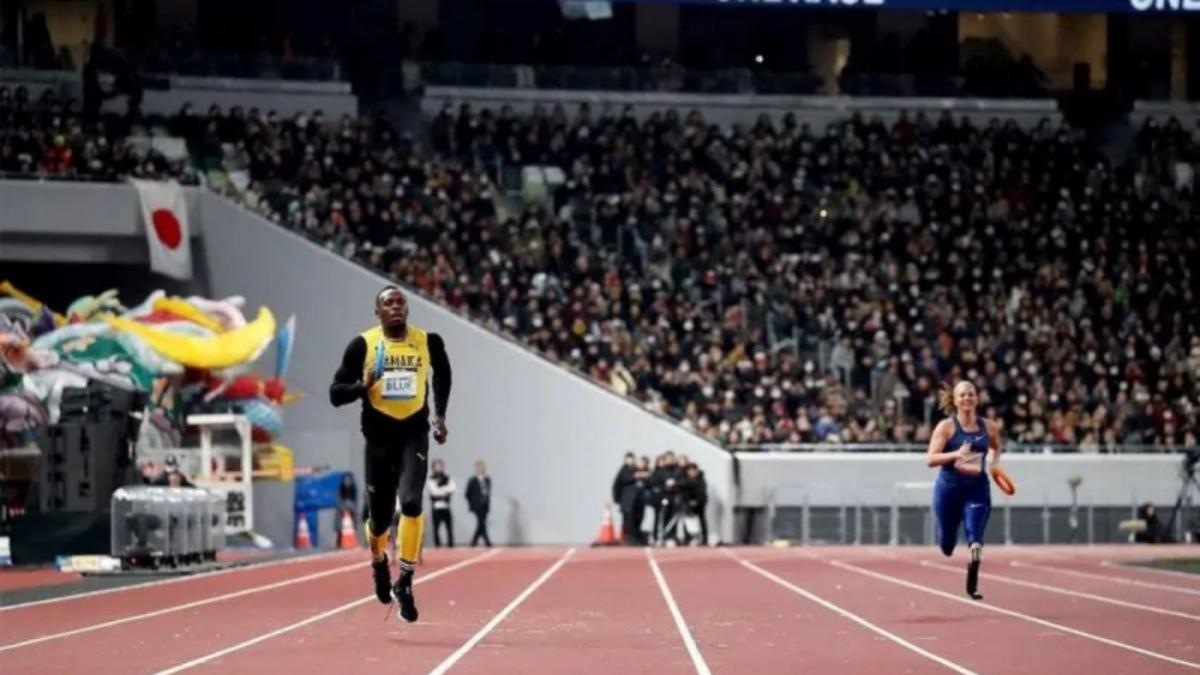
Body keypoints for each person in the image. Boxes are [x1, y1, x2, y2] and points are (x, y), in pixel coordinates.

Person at [329, 285, 451, 622]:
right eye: (388, 303)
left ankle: (406, 581)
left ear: (407, 309)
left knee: (411, 502)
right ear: (377, 311)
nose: (395, 307)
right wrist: (362, 387)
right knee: (380, 519)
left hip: (414, 434)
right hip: (379, 438)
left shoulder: (428, 342)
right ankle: (379, 562)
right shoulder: (363, 345)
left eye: (400, 302)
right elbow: (335, 393)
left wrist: (440, 416)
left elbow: (443, 373)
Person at [926, 380, 1002, 600]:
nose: (967, 398)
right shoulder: (946, 427)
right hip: (949, 491)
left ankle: (973, 577)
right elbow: (930, 459)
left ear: (977, 399)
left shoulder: (989, 426)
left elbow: (997, 447)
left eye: (971, 394)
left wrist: (994, 464)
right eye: (962, 395)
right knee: (947, 544)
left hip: (977, 488)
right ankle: (948, 540)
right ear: (956, 400)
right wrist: (955, 455)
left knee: (974, 533)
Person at [428, 459, 456, 546]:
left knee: (449, 528)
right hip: (436, 507)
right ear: (433, 467)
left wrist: (441, 489)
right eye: (437, 466)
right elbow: (434, 492)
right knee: (436, 528)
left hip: (446, 506)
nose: (439, 468)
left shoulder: (448, 478)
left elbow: (453, 488)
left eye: (440, 466)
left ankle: (451, 545)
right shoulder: (431, 479)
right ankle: (438, 545)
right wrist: (446, 490)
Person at [466, 459, 492, 546]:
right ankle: (487, 542)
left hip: (485, 505)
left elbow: (488, 493)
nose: (481, 469)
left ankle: (474, 542)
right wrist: (472, 503)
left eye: (483, 467)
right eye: (479, 467)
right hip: (477, 505)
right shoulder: (472, 480)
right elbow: (467, 494)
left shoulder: (488, 480)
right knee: (481, 522)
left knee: (481, 523)